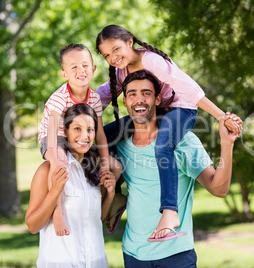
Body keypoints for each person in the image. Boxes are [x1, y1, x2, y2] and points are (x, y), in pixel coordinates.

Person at [96, 24, 242, 240]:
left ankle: (170, 212)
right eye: (107, 55)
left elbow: (189, 88)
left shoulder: (151, 61)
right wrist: (69, 113)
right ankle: (116, 192)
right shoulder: (122, 71)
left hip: (181, 110)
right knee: (100, 137)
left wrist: (221, 116)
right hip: (157, 111)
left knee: (163, 144)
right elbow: (100, 98)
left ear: (129, 42)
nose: (113, 57)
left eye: (116, 49)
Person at [114, 70, 237, 266]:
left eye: (146, 93)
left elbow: (219, 189)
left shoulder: (182, 141)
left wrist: (227, 144)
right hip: (133, 254)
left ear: (157, 99)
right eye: (132, 94)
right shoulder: (121, 146)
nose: (139, 99)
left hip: (175, 255)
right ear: (125, 102)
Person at [26, 103, 120, 267]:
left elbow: (96, 220)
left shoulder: (95, 171)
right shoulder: (47, 170)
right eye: (77, 128)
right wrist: (54, 192)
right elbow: (33, 225)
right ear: (65, 132)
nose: (85, 136)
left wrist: (110, 193)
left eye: (90, 130)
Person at [37, 44, 114, 236]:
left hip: (80, 137)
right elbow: (53, 136)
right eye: (74, 67)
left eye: (85, 65)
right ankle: (57, 211)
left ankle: (111, 201)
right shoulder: (59, 99)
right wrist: (55, 159)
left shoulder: (94, 98)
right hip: (54, 136)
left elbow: (100, 134)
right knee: (59, 163)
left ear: (93, 69)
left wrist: (104, 164)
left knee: (115, 166)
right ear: (64, 74)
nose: (81, 70)